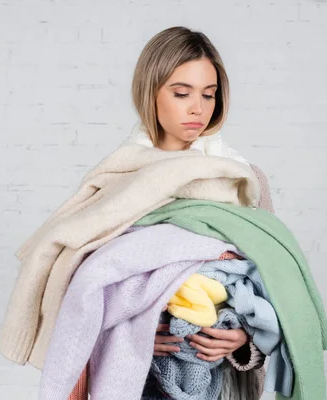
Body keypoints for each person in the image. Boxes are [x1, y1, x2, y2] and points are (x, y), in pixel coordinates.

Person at [67, 26, 272, 400]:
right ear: (150, 93)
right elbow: (80, 296)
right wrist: (131, 331)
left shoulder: (242, 180)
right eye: (182, 93)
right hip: (133, 380)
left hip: (217, 379)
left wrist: (243, 340)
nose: (198, 108)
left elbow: (273, 286)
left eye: (209, 95)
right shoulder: (117, 181)